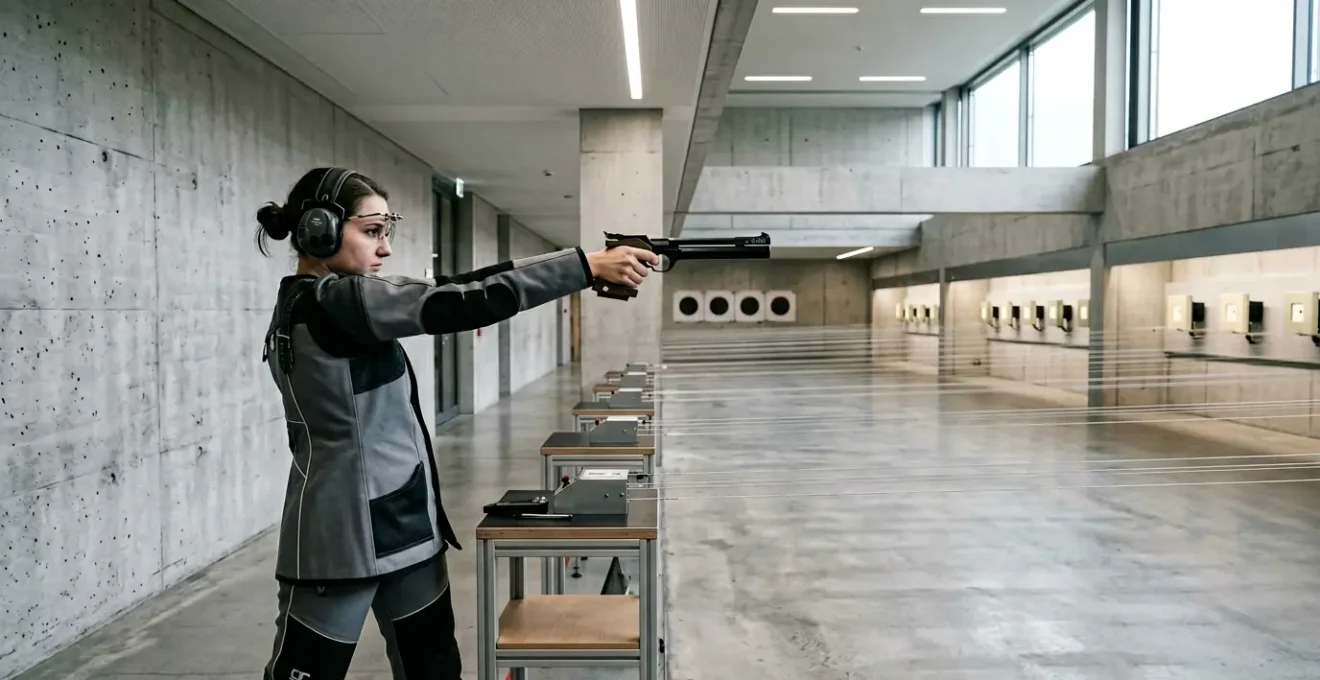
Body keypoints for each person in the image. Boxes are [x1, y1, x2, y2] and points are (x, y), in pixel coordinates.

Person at [253, 166, 657, 680]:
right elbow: (464, 300)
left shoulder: (324, 302)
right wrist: (585, 266)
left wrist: (582, 265)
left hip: (400, 526)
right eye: (372, 231)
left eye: (387, 232)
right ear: (319, 229)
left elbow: (455, 288)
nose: (385, 248)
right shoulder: (331, 302)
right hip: (344, 542)